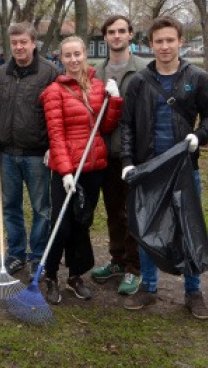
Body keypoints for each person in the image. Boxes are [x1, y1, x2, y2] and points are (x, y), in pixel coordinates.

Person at [120, 16, 208, 319]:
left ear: (180, 41)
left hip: (182, 168)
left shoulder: (197, 77)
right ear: (150, 44)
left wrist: (198, 136)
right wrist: (127, 162)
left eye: (169, 40)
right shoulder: (139, 82)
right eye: (158, 41)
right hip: (149, 169)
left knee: (187, 228)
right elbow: (127, 126)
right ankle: (148, 287)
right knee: (147, 228)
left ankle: (193, 291)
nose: (164, 46)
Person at [40, 36, 123, 304]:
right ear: (61, 59)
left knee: (82, 222)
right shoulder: (54, 91)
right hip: (67, 169)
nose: (74, 60)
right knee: (61, 225)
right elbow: (56, 135)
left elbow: (106, 127)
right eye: (68, 55)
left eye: (78, 54)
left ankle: (75, 275)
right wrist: (64, 171)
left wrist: (115, 101)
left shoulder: (98, 86)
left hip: (94, 166)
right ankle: (50, 275)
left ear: (85, 54)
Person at [0, 22, 60, 276]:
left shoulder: (49, 73)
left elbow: (56, 114)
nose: (19, 47)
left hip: (37, 154)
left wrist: (53, 147)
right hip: (8, 154)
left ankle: (38, 256)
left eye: (24, 42)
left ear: (34, 43)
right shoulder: (1, 75)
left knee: (41, 208)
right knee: (10, 205)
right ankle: (16, 253)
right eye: (14, 43)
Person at [90, 15, 149, 295]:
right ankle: (116, 259)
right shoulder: (96, 73)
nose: (116, 36)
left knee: (132, 213)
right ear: (105, 37)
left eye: (121, 31)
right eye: (111, 32)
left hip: (134, 155)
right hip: (105, 153)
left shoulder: (143, 70)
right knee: (113, 211)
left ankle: (134, 268)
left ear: (130, 35)